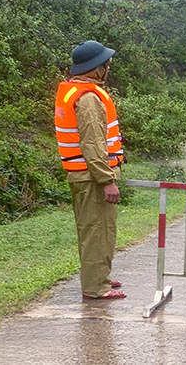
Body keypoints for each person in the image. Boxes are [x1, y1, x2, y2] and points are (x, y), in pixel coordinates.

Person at [54, 40, 127, 300]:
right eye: (106, 65)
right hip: (92, 177)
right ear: (97, 69)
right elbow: (93, 144)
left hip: (83, 175)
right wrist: (107, 179)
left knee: (99, 229)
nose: (109, 69)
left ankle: (100, 277)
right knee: (96, 230)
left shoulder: (72, 90)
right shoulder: (87, 99)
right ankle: (97, 287)